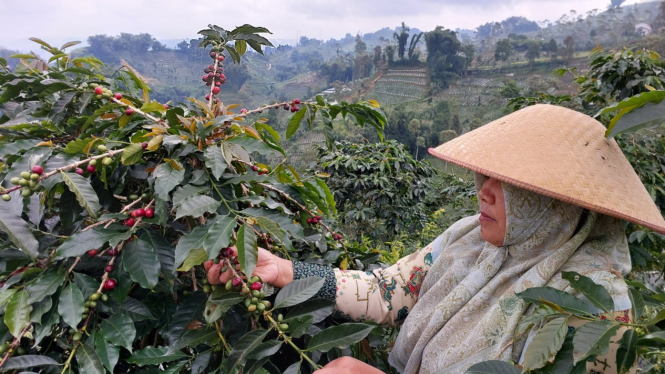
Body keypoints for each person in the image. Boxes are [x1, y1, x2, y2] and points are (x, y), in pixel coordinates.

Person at [205, 104, 665, 373]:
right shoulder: (469, 239)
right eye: (486, 174)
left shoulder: (595, 306)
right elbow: (390, 292)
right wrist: (283, 271)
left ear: (557, 203)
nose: (483, 189)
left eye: (511, 185)